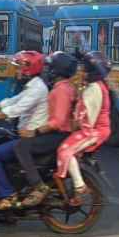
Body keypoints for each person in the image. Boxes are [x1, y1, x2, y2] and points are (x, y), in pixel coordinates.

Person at [0, 51, 48, 211]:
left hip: (30, 137)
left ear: (29, 68)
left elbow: (15, 110)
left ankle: (8, 196)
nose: (16, 71)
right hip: (23, 133)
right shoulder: (32, 86)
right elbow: (13, 100)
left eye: (19, 67)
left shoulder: (37, 89)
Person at [13, 52, 77, 208]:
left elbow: (58, 121)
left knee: (21, 147)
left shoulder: (61, 90)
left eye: (49, 67)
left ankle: (38, 186)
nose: (46, 70)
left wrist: (34, 132)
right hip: (59, 133)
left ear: (57, 70)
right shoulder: (63, 86)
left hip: (58, 135)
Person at [55, 52, 112, 206]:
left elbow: (87, 119)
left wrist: (72, 124)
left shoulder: (94, 89)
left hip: (92, 131)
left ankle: (80, 186)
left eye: (85, 69)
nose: (82, 72)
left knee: (65, 151)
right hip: (94, 129)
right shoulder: (96, 86)